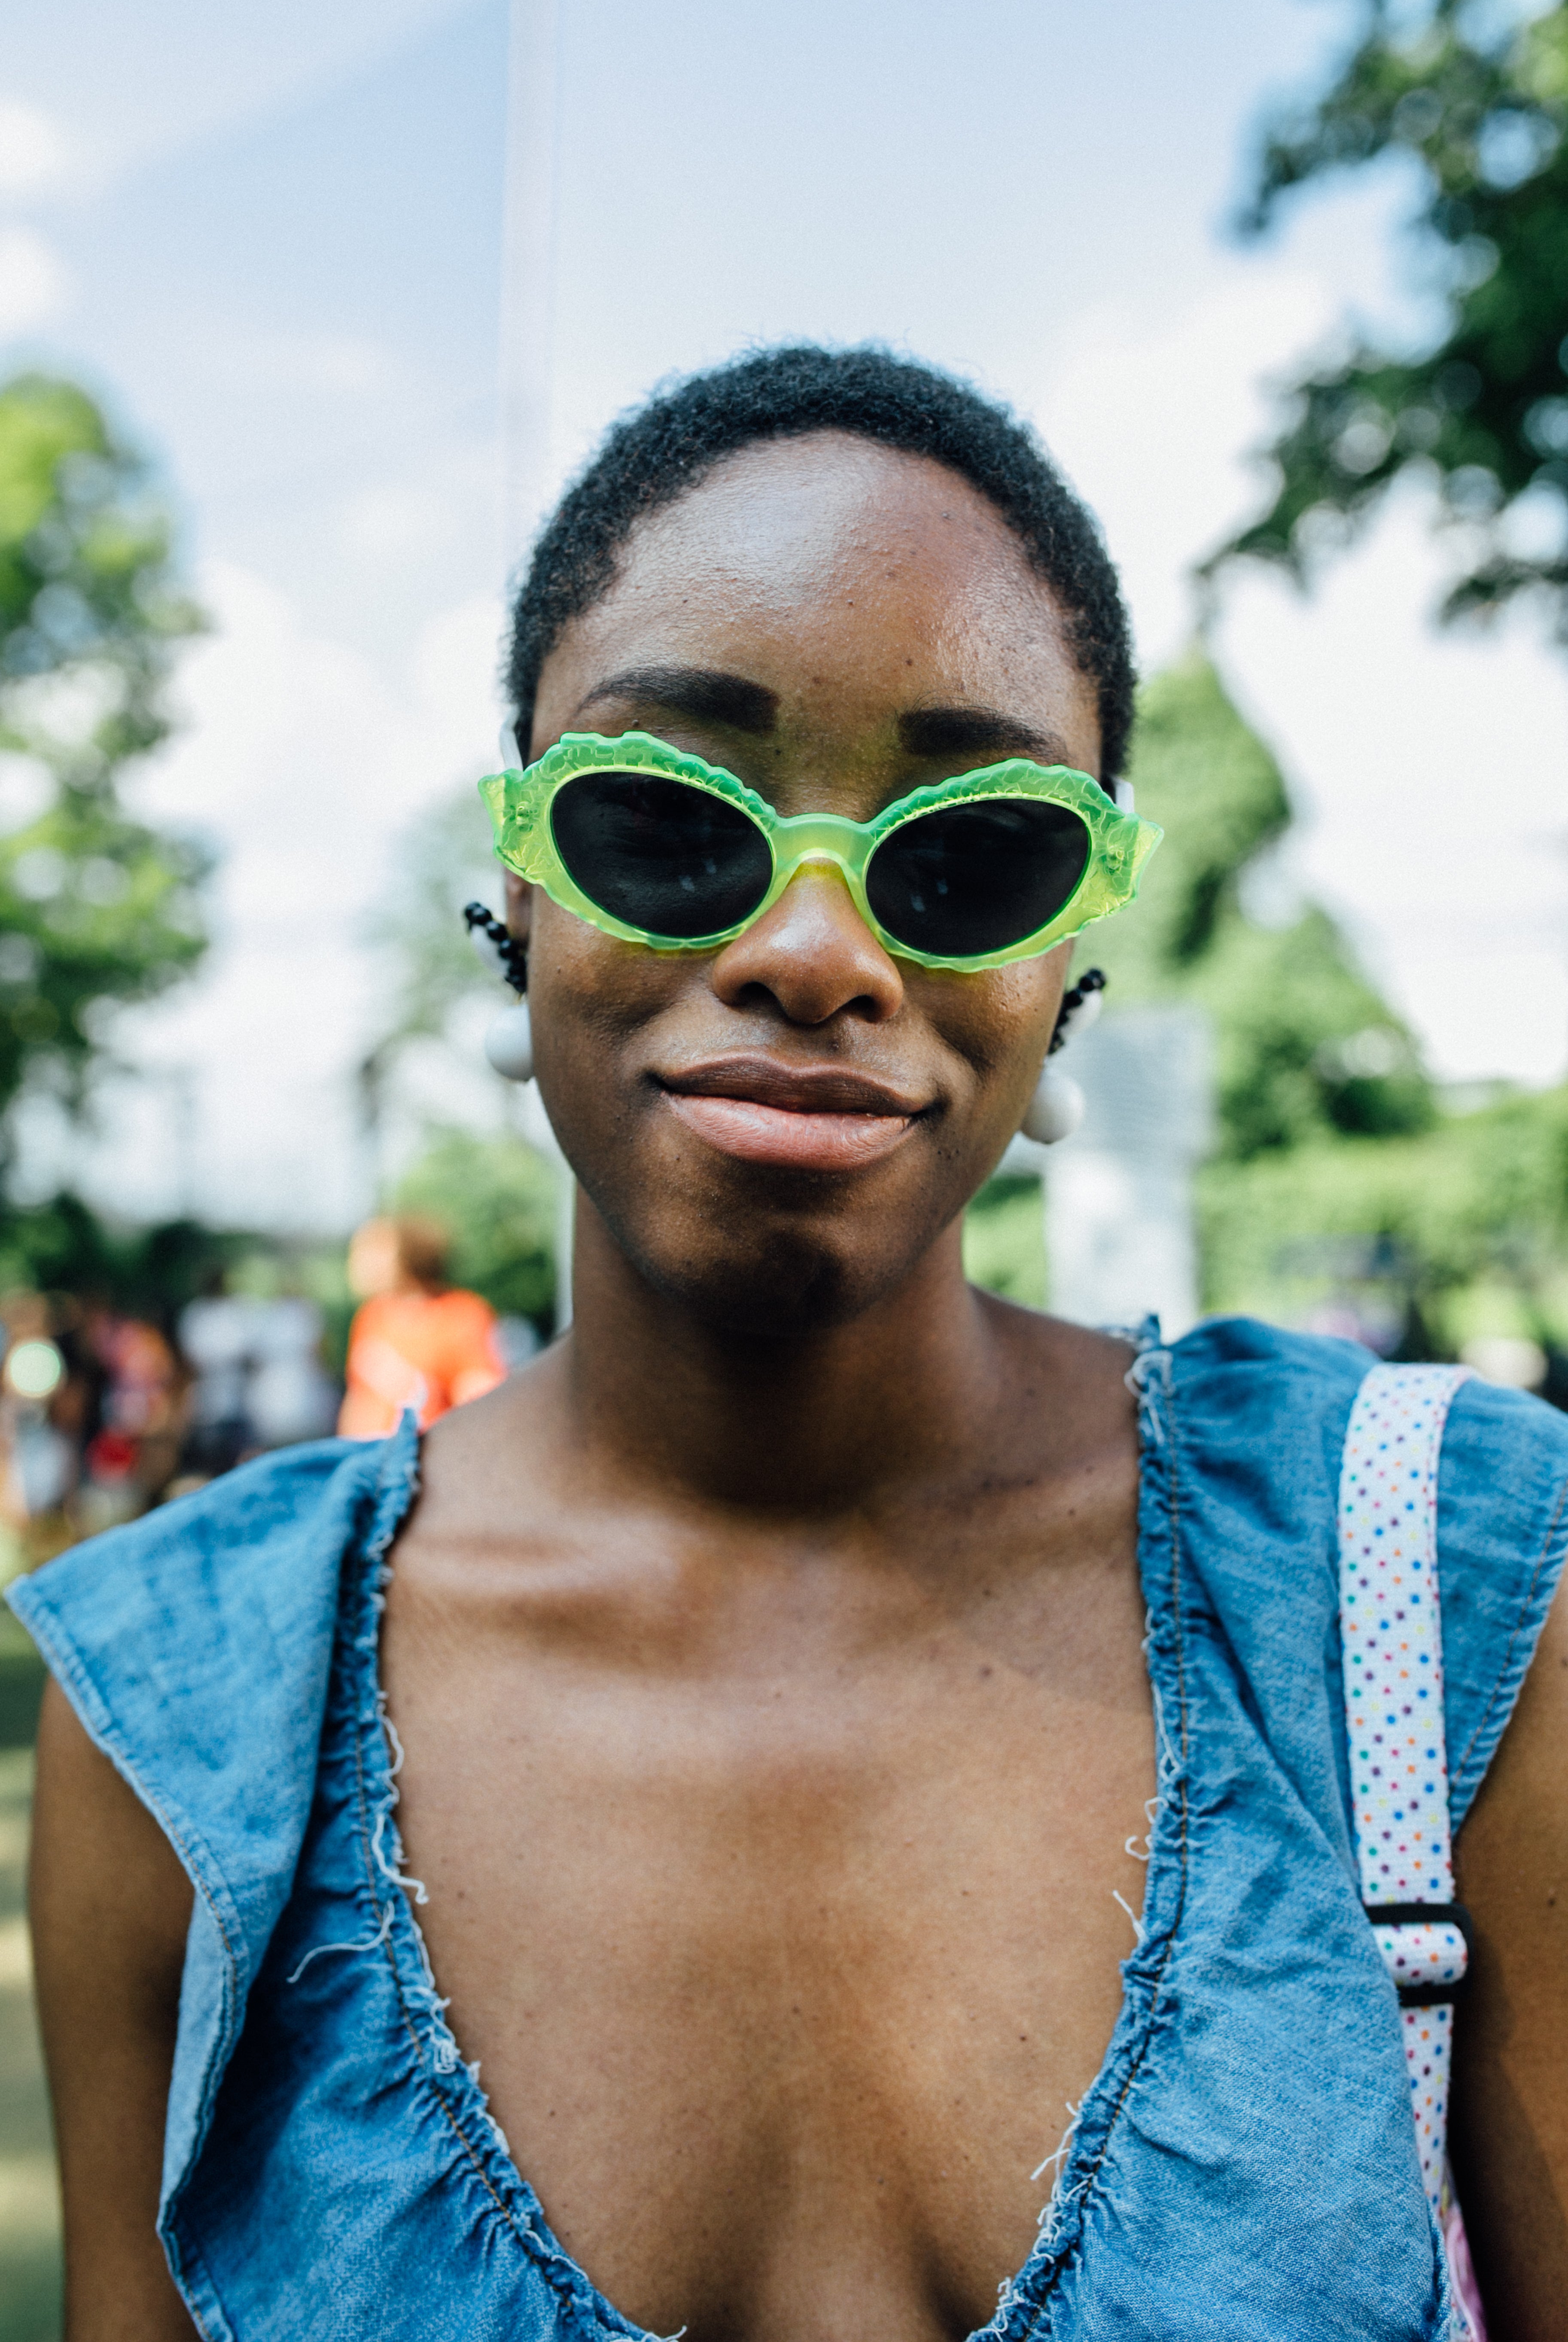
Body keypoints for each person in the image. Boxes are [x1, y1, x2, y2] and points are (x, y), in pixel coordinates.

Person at [11, 348, 1568, 2342]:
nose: (816, 950)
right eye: (667, 817)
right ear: (517, 879)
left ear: (1066, 954)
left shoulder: (1422, 1595)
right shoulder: (187, 1727)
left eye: (964, 855)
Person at [337, 1213, 507, 1437]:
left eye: (373, 1251)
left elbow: (481, 1399)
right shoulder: (372, 1316)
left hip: (428, 1457)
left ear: (410, 1255)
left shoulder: (461, 1314)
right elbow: (360, 1399)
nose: (359, 1262)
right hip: (372, 1457)